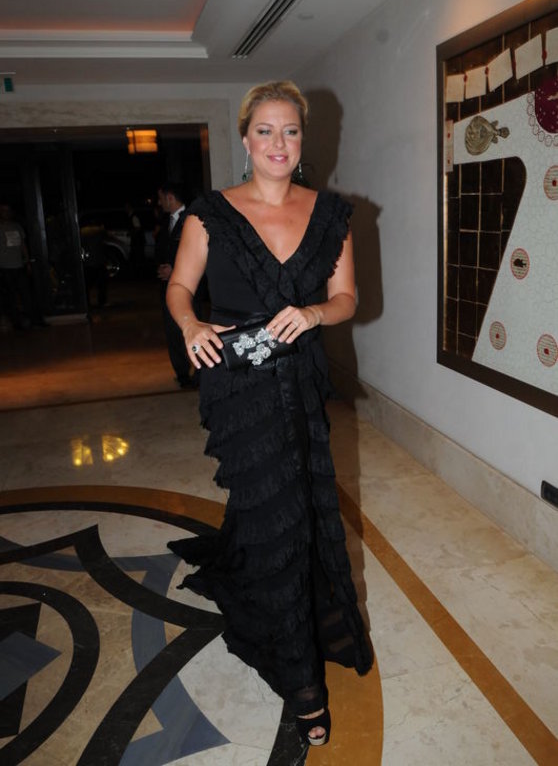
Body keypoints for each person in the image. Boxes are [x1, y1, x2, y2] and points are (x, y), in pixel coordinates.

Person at [165, 81, 373, 747]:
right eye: (265, 130)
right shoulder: (210, 215)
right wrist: (191, 322)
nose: (278, 143)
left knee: (301, 511)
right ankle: (303, 685)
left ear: (302, 140)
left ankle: (295, 632)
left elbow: (347, 298)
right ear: (245, 138)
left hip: (301, 380)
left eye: (290, 131)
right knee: (267, 511)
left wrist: (313, 312)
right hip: (238, 386)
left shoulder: (332, 214)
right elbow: (179, 285)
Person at [155, 182, 198, 389]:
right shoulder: (166, 222)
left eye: (160, 198)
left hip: (190, 289)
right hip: (168, 288)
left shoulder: (192, 218)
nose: (159, 202)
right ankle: (182, 374)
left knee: (193, 328)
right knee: (172, 332)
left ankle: (200, 373)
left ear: (170, 197)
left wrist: (176, 270)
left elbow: (198, 253)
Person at [0, 203, 43, 329]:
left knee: (26, 295)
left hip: (19, 266)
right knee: (11, 297)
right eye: (3, 210)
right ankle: (17, 323)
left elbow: (22, 245)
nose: (6, 213)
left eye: (8, 210)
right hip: (4, 268)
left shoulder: (17, 226)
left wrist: (27, 261)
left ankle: (35, 320)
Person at [124, 201, 145, 275]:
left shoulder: (134, 216)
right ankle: (136, 271)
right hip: (136, 240)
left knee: (137, 256)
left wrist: (131, 233)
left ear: (130, 207)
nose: (125, 209)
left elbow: (138, 228)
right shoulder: (131, 216)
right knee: (135, 256)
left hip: (138, 241)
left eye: (126, 207)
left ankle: (138, 272)